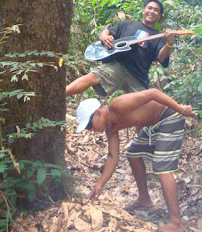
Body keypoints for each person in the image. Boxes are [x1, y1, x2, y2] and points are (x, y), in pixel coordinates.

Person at [75, 89, 194, 232]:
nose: (90, 129)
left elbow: (153, 93)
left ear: (98, 113)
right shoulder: (110, 127)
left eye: (89, 125)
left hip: (169, 117)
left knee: (162, 167)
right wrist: (100, 185)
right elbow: (113, 156)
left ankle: (175, 223)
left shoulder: (118, 105)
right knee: (133, 153)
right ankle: (144, 199)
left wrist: (181, 109)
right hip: (152, 125)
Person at [66, 0, 176, 98]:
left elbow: (161, 58)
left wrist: (169, 44)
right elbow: (107, 31)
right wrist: (104, 37)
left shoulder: (160, 36)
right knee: (91, 77)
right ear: (143, 11)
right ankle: (62, 94)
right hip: (116, 66)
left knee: (146, 104)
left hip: (138, 77)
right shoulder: (127, 24)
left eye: (156, 10)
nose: (152, 11)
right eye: (149, 8)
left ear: (159, 16)